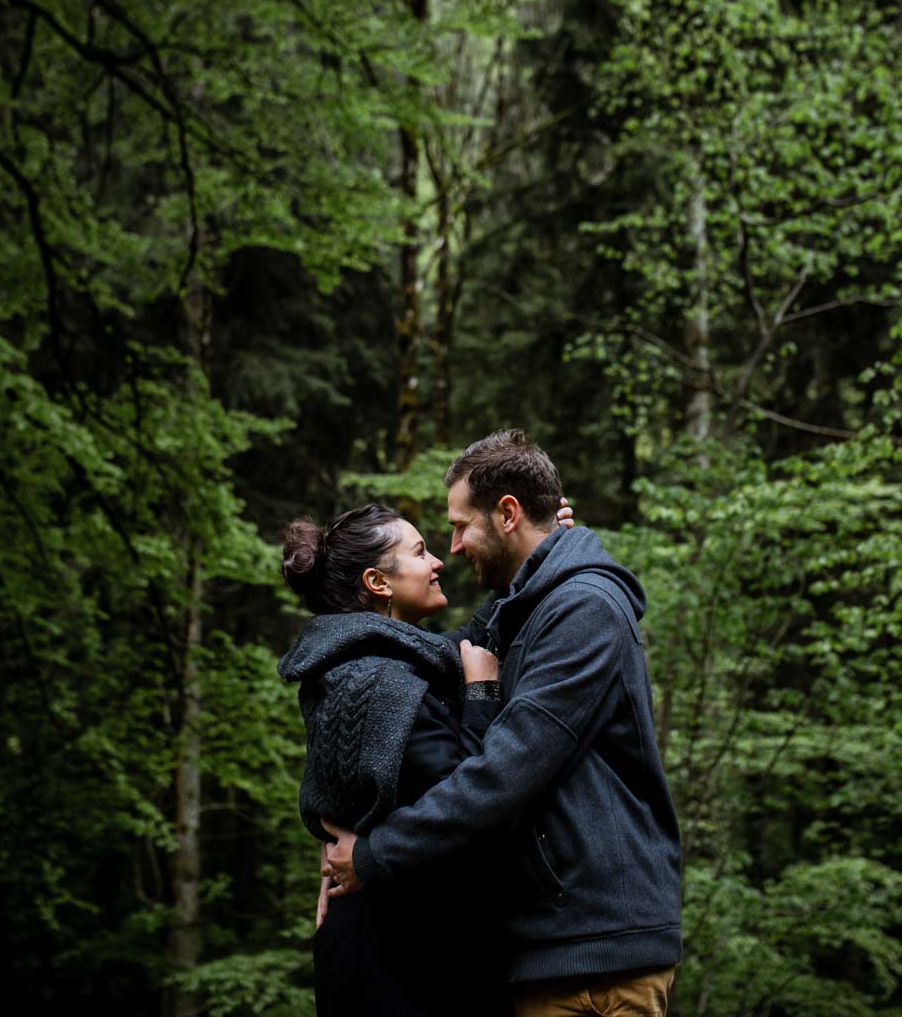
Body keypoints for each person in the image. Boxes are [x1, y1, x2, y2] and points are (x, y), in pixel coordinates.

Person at [321, 429, 683, 1017]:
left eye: (462, 525)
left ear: (507, 513)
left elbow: (503, 773)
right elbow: (443, 664)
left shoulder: (583, 609)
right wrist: (335, 816)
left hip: (595, 955)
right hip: (552, 946)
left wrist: (372, 857)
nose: (454, 547)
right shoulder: (532, 609)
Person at [277, 502, 511, 1016]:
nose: (438, 562)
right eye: (421, 551)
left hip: (379, 933)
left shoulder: (356, 663)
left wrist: (544, 546)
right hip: (397, 952)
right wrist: (481, 693)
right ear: (378, 582)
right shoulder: (384, 683)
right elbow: (466, 800)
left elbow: (478, 631)